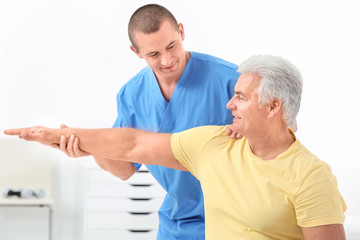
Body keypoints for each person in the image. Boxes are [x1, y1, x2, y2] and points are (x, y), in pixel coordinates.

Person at [4, 55, 346, 240]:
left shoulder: (311, 178)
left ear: (272, 107)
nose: (229, 105)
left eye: (240, 97)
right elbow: (135, 142)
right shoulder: (214, 145)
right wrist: (59, 135)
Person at [59, 3, 242, 239]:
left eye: (171, 46)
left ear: (182, 32)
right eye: (154, 54)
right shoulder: (132, 95)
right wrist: (90, 146)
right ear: (137, 52)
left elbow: (281, 131)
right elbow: (125, 169)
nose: (167, 60)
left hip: (234, 220)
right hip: (177, 223)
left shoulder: (230, 79)